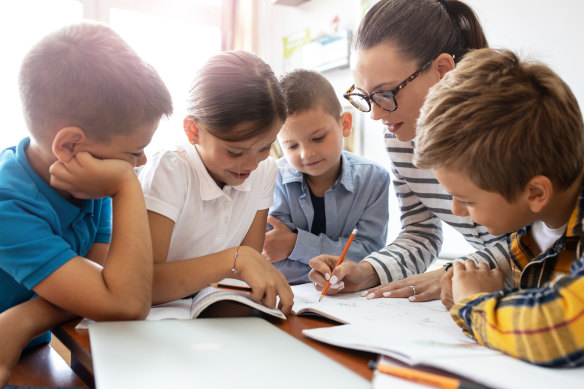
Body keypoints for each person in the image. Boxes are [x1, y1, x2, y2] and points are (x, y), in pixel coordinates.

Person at [0, 22, 172, 386]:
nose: (140, 163)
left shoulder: (88, 185)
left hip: (26, 350)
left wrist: (28, 317)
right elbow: (126, 303)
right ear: (70, 146)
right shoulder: (8, 205)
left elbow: (106, 287)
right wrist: (126, 186)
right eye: (134, 152)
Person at [309, 0, 511, 302]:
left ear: (442, 69)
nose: (375, 115)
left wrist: (456, 271)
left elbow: (546, 238)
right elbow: (421, 232)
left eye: (386, 93)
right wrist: (368, 271)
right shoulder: (401, 137)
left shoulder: (513, 126)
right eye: (365, 96)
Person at [414, 47, 584, 367]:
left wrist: (475, 304)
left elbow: (562, 326)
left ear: (535, 193)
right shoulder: (529, 223)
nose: (457, 211)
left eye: (467, 200)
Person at [138, 50, 293, 313]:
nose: (251, 164)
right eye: (235, 152)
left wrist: (246, 267)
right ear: (193, 130)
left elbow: (245, 273)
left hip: (216, 318)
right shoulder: (171, 168)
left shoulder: (265, 171)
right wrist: (234, 259)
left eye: (265, 147)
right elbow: (141, 285)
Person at [263, 69, 391, 284]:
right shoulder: (272, 179)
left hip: (353, 299)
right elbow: (272, 259)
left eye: (318, 138)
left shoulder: (374, 179)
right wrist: (337, 266)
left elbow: (370, 255)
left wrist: (295, 245)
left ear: (345, 125)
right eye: (292, 145)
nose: (306, 154)